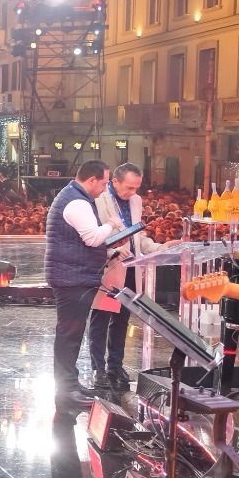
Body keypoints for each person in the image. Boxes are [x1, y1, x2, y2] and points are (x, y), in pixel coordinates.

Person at [45, 160, 119, 410]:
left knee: (72, 335)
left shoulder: (74, 197)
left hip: (73, 276)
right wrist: (112, 224)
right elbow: (92, 238)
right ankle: (66, 389)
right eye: (104, 183)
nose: (105, 188)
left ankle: (70, 383)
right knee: (69, 335)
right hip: (71, 278)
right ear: (92, 180)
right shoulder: (77, 202)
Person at [87, 162, 167, 393]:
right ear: (115, 182)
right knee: (101, 319)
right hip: (110, 266)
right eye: (129, 187)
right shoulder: (99, 199)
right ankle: (98, 368)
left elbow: (138, 238)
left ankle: (115, 366)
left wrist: (159, 248)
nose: (133, 192)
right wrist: (112, 251)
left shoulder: (136, 201)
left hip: (132, 267)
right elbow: (94, 236)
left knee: (122, 319)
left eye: (137, 188)